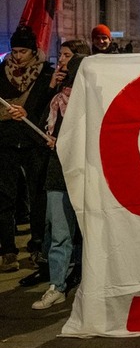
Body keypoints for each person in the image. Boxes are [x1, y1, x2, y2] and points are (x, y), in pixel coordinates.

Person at [32, 53, 86, 309]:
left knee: (88, 232)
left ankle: (86, 280)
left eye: (67, 63)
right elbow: (42, 128)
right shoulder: (57, 101)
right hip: (58, 174)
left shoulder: (89, 102)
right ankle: (57, 286)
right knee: (60, 234)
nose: (61, 66)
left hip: (85, 173)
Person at [0, 25, 56, 272]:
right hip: (6, 140)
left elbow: (49, 107)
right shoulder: (2, 72)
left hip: (34, 141)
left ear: (34, 51)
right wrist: (7, 112)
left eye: (23, 51)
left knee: (37, 196)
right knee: (5, 197)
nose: (18, 56)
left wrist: (28, 112)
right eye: (15, 51)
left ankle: (37, 246)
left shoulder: (47, 74)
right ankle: (8, 250)